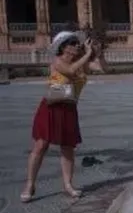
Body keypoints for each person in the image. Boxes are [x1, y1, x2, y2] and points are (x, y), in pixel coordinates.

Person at [21, 31, 107, 203]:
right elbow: (69, 70)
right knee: (41, 145)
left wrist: (99, 53)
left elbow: (103, 69)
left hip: (69, 109)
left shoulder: (81, 63)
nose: (77, 45)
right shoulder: (57, 62)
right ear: (64, 46)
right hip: (51, 107)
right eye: (73, 43)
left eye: (77, 43)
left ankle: (68, 184)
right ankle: (30, 184)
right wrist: (88, 55)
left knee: (68, 147)